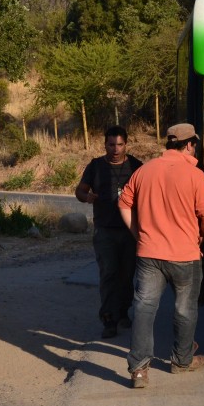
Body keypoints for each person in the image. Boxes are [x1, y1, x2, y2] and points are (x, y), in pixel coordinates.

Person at [118, 123, 204, 389]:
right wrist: (201, 235)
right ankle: (182, 361)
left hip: (149, 253)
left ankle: (139, 370)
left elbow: (124, 203)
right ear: (189, 145)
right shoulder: (195, 175)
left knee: (143, 308)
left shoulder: (144, 171)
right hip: (185, 255)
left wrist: (137, 232)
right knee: (184, 309)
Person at [75, 125, 142, 339]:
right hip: (104, 231)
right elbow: (80, 190)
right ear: (105, 145)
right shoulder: (95, 166)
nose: (115, 149)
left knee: (127, 275)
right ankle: (109, 319)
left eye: (120, 144)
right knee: (109, 274)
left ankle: (123, 312)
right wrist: (86, 197)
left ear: (126, 145)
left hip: (129, 231)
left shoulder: (136, 166)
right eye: (111, 144)